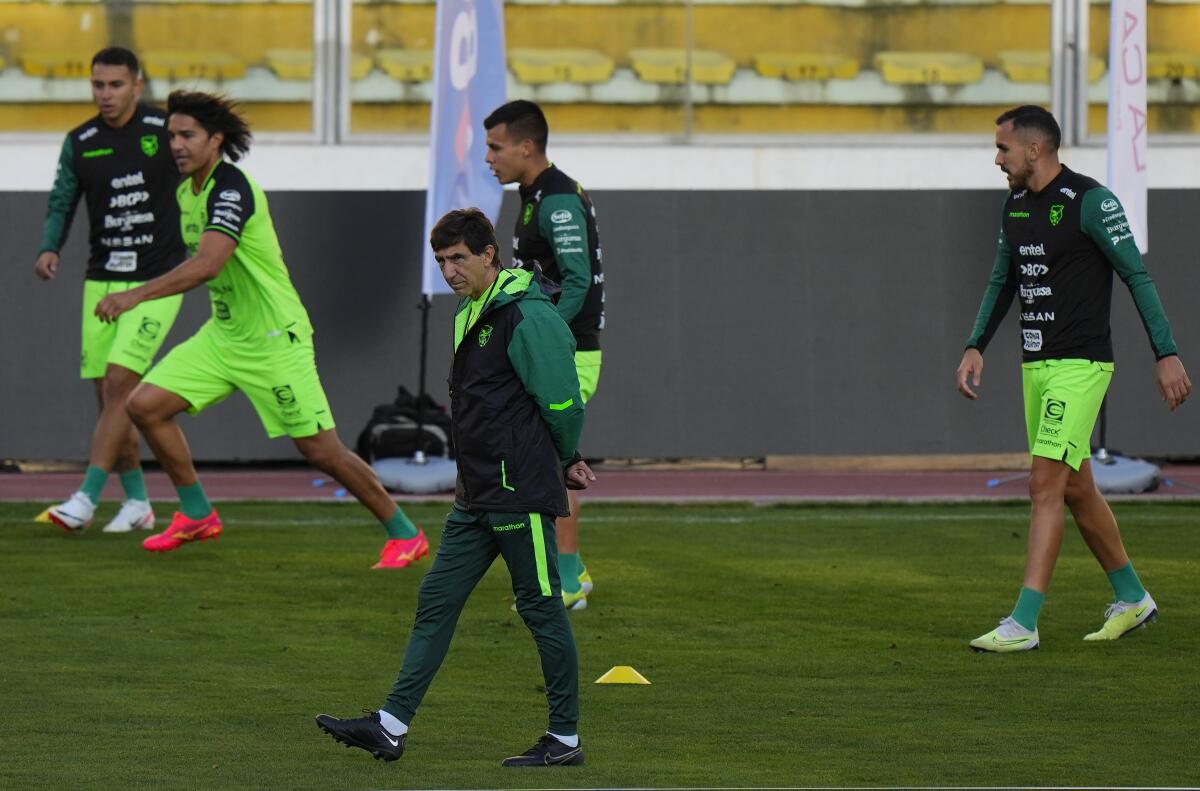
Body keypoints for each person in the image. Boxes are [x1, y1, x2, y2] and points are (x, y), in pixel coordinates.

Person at [93, 90, 427, 569]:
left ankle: (405, 533)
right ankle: (196, 513)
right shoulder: (189, 191)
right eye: (172, 136)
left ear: (216, 139)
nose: (178, 145)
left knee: (320, 450)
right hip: (224, 335)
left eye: (188, 135)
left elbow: (208, 264)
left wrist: (132, 295)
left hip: (274, 339)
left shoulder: (232, 187)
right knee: (144, 406)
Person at [315, 208, 595, 767]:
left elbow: (562, 401)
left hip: (516, 489)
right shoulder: (474, 311)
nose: (449, 271)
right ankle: (390, 726)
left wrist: (566, 457)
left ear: (490, 254)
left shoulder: (526, 317)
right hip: (478, 493)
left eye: (458, 259)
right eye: (441, 261)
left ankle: (564, 740)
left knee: (541, 608)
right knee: (435, 601)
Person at [956, 105, 1191, 653]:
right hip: (1036, 369)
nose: (998, 159)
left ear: (1034, 149)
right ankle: (1133, 598)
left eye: (1003, 149)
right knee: (1078, 489)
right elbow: (1002, 280)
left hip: (1080, 369)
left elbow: (1136, 274)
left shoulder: (1091, 202)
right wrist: (975, 345)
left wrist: (1167, 352)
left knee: (1044, 486)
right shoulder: (1014, 206)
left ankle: (1023, 623)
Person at [33, 47, 186, 534]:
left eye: (115, 85)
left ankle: (85, 497)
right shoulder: (81, 140)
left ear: (137, 86)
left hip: (156, 281)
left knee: (121, 384)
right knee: (109, 401)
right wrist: (48, 246)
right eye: (98, 85)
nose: (105, 94)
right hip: (100, 279)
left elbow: (201, 177)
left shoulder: (164, 133)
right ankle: (139, 502)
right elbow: (62, 198)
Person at [482, 99, 605, 611]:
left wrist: (548, 335)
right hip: (557, 348)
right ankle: (568, 573)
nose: (488, 158)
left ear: (526, 146)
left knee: (554, 460)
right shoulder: (536, 196)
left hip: (568, 354)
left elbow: (576, 279)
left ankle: (568, 577)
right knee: (546, 458)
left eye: (495, 146)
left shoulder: (555, 201)